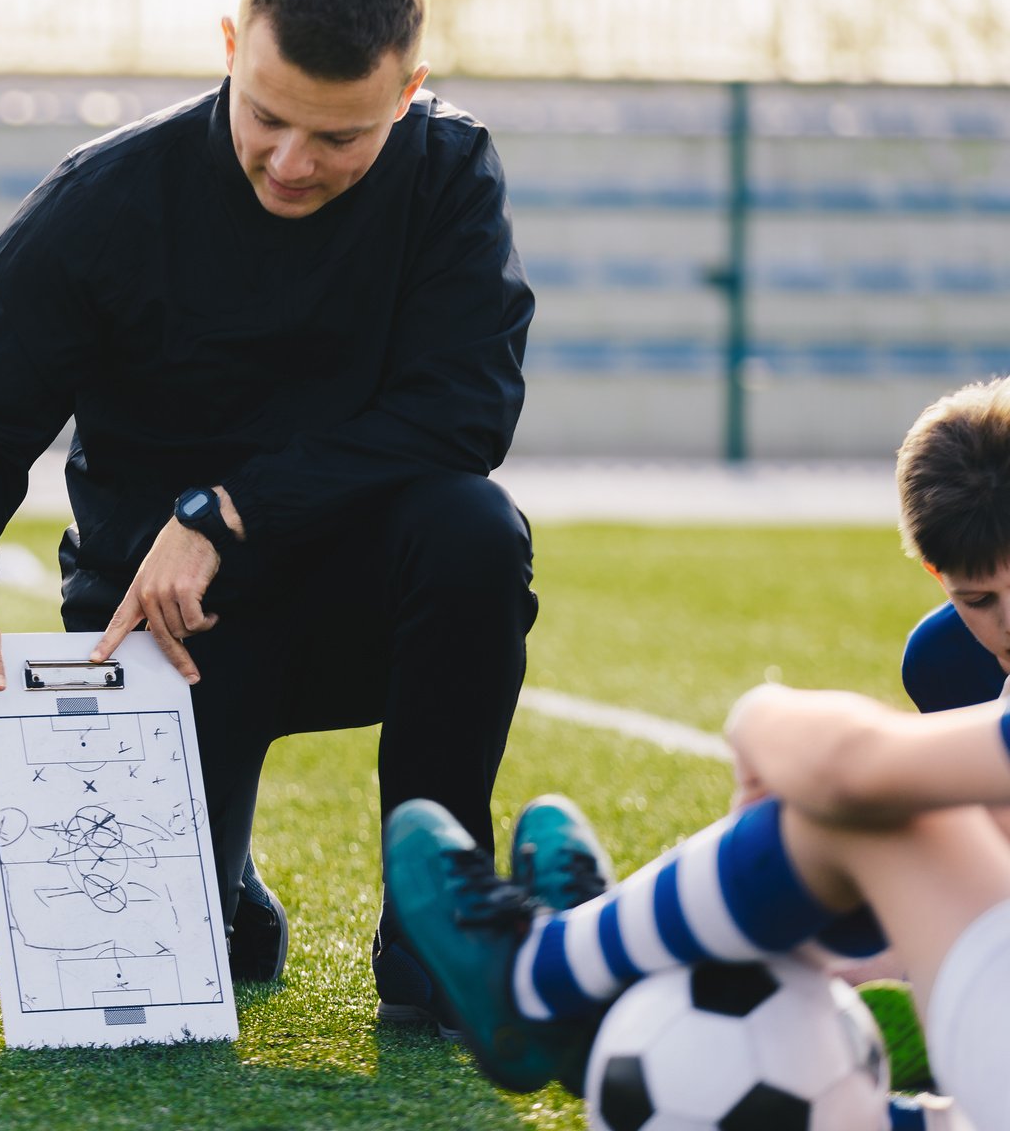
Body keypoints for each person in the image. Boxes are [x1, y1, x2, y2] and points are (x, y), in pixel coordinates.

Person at [0, 0, 538, 1017]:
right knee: (196, 958)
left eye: (342, 138)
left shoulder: (447, 173)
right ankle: (228, 893)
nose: (293, 162)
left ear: (410, 88)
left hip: (361, 596)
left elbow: (464, 411)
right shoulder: (105, 199)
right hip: (166, 627)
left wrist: (229, 508)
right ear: (231, 46)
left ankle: (434, 936)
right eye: (269, 117)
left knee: (478, 533)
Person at [384, 376, 1010, 1130]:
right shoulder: (951, 660)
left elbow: (852, 770)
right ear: (939, 579)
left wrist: (760, 716)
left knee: (873, 818)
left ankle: (547, 975)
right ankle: (609, 970)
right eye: (982, 600)